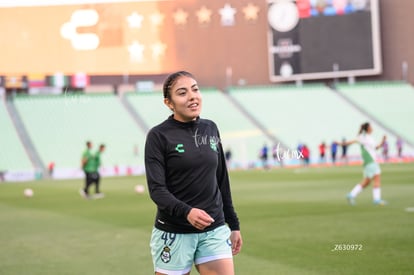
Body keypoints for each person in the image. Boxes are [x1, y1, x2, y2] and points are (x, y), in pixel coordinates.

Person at [144, 71, 242, 275]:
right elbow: (157, 190)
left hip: (214, 229)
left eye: (195, 89)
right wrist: (187, 212)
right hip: (174, 232)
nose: (192, 96)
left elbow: (222, 180)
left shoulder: (210, 128)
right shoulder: (158, 136)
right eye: (182, 93)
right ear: (168, 103)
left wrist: (233, 224)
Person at [344, 122, 387, 206]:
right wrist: (383, 140)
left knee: (366, 182)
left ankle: (351, 195)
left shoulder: (362, 137)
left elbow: (354, 140)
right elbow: (377, 147)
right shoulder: (368, 138)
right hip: (371, 161)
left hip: (367, 162)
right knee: (377, 178)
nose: (372, 128)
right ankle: (377, 199)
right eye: (371, 127)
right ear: (368, 129)